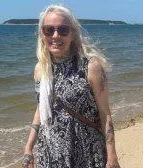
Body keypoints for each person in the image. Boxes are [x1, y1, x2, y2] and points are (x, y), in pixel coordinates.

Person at [22, 4, 120, 168]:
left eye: (63, 30)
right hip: (50, 153)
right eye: (49, 30)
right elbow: (41, 107)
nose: (55, 35)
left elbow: (105, 115)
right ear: (42, 34)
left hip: (86, 153)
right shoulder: (41, 68)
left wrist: (112, 157)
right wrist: (28, 147)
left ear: (72, 34)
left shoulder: (91, 67)